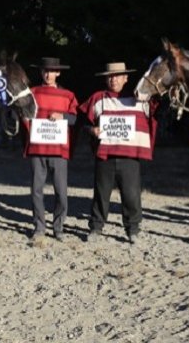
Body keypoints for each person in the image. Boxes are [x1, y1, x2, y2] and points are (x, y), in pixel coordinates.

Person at [77, 62, 159, 244]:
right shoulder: (98, 98)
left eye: (117, 76)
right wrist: (92, 131)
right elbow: (82, 123)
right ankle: (96, 227)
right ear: (106, 79)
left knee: (131, 194)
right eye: (110, 76)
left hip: (130, 156)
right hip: (105, 156)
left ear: (126, 78)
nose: (113, 80)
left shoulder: (140, 99)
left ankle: (133, 230)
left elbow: (157, 111)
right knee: (101, 193)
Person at [24, 57, 78, 242]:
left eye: (52, 71)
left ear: (58, 73)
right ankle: (39, 227)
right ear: (41, 73)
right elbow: (23, 115)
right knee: (36, 190)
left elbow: (75, 119)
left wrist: (62, 116)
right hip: (37, 149)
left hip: (59, 151)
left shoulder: (68, 95)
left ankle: (58, 227)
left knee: (61, 192)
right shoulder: (31, 93)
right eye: (45, 71)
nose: (48, 74)